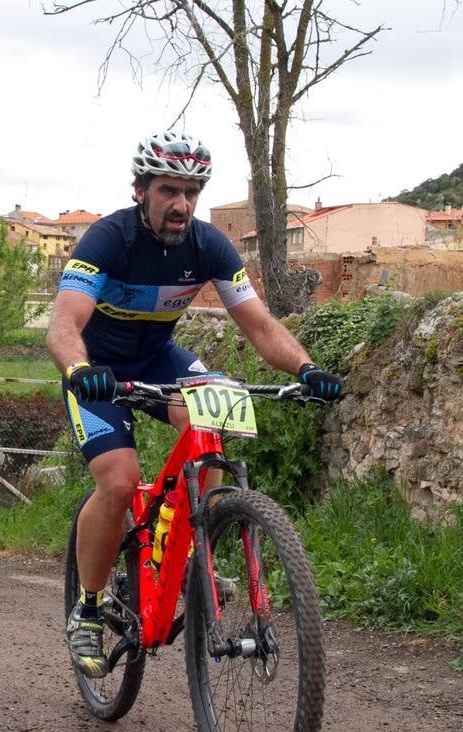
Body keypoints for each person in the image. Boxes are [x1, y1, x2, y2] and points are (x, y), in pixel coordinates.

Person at [46, 130, 342, 678]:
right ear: (142, 191)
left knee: (210, 423)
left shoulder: (210, 246)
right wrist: (81, 370)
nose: (181, 204)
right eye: (169, 191)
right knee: (117, 479)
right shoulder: (106, 240)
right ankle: (86, 609)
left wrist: (306, 368)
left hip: (158, 358)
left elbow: (259, 325)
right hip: (97, 369)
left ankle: (186, 551)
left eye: (192, 191)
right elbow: (64, 326)